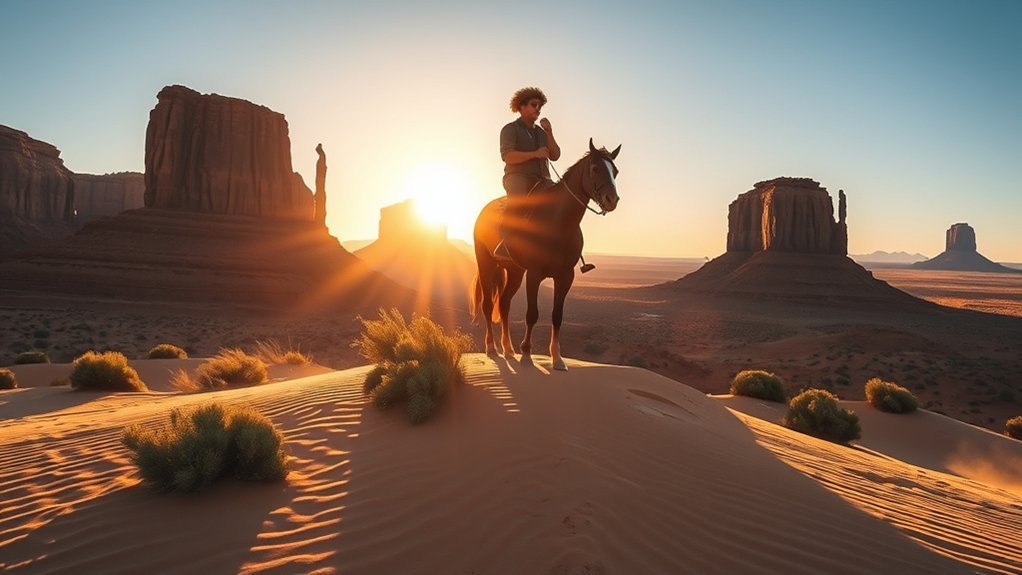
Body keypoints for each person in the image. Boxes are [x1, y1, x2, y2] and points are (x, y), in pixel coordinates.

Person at [493, 86, 561, 261]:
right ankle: (505, 243)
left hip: (542, 179)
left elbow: (555, 155)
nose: (538, 109)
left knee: (562, 200)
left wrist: (549, 132)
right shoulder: (510, 129)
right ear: (521, 106)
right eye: (534, 105)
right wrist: (535, 154)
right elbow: (507, 156)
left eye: (540, 106)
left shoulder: (541, 133)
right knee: (518, 199)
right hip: (517, 177)